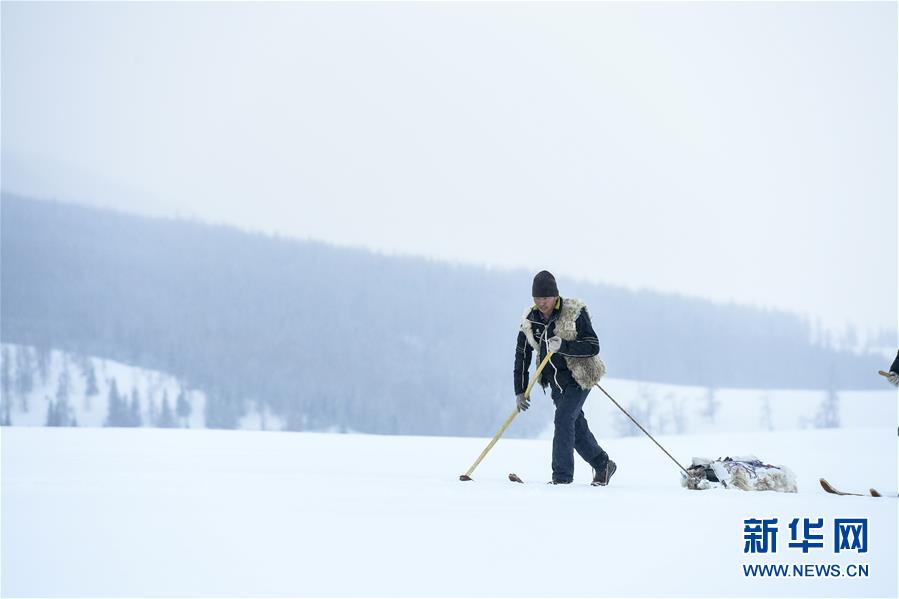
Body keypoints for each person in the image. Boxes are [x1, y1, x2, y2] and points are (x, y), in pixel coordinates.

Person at [513, 270, 615, 485]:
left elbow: (593, 345)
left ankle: (561, 478)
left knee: (563, 419)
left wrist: (564, 346)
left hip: (580, 378)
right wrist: (520, 391)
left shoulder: (573, 313)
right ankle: (603, 464)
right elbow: (521, 356)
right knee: (575, 428)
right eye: (537, 298)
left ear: (555, 296)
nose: (541, 303)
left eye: (545, 298)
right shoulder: (530, 321)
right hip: (556, 384)